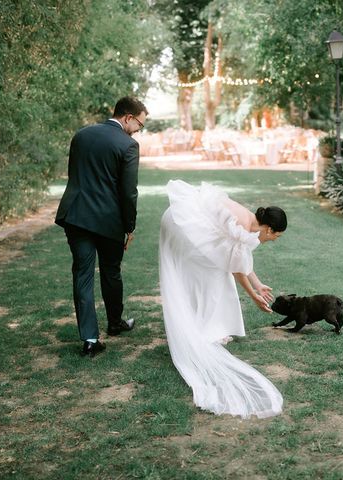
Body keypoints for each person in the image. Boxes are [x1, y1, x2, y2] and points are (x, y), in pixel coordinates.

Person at [159, 179, 287, 418]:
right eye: (276, 236)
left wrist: (258, 285)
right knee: (216, 276)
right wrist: (253, 296)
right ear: (269, 229)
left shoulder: (251, 224)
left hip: (183, 220)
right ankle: (208, 329)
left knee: (214, 275)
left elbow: (240, 258)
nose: (274, 240)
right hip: (180, 224)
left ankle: (210, 326)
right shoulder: (242, 224)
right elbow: (235, 266)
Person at [55, 96, 148, 358]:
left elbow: (77, 174)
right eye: (140, 124)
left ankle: (90, 339)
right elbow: (129, 192)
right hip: (108, 221)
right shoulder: (128, 145)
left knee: (82, 275)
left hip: (76, 215)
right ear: (128, 117)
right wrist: (129, 227)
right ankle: (115, 323)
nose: (140, 130)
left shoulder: (81, 135)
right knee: (111, 271)